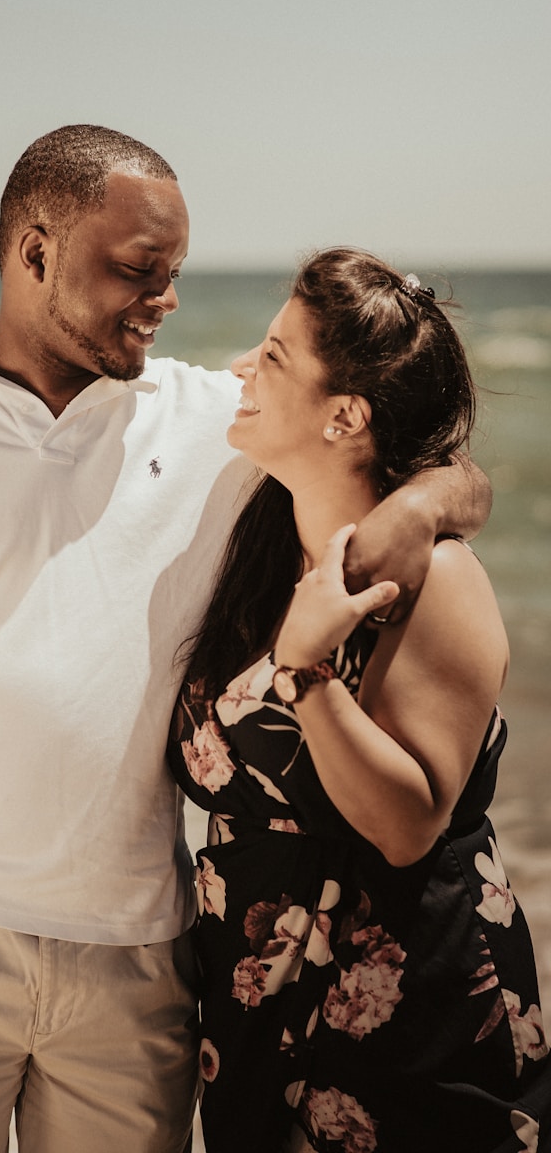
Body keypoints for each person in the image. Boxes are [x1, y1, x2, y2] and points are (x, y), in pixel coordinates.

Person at [0, 127, 490, 1153]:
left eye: (174, 272)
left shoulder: (215, 421)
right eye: (136, 270)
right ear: (32, 254)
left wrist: (419, 508)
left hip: (135, 966)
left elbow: (414, 450)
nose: (165, 298)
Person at [167, 248, 550, 1153]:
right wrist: (424, 498)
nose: (239, 370)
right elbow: (458, 477)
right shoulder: (256, 522)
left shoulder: (435, 579)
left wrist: (306, 673)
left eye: (272, 355)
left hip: (402, 1002)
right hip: (254, 999)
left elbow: (409, 824)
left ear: (344, 416)